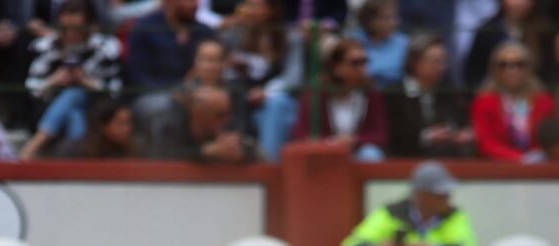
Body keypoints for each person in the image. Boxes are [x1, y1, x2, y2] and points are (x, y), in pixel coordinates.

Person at [19, 0, 122, 159]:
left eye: (77, 28)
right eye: (65, 28)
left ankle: (35, 144)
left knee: (75, 93)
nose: (70, 33)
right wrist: (54, 81)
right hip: (48, 108)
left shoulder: (105, 48)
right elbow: (31, 88)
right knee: (73, 110)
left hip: (94, 108)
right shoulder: (45, 46)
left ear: (90, 26)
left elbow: (115, 91)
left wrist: (86, 82)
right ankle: (78, 159)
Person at [220, 0, 304, 161]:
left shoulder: (290, 36)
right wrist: (223, 30)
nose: (248, 11)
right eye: (246, 5)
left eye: (255, 6)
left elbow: (294, 77)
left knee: (276, 103)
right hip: (240, 94)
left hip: (274, 99)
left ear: (271, 9)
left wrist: (267, 92)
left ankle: (268, 163)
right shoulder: (233, 33)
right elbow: (222, 67)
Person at [341, 160, 479, 246]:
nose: (447, 199)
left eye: (447, 194)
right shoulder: (390, 213)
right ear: (420, 194)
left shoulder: (454, 215)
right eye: (439, 195)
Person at [292, 36, 389, 161]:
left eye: (364, 62)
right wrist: (331, 142)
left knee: (370, 153)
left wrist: (354, 140)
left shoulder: (371, 93)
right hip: (324, 154)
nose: (362, 68)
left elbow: (380, 134)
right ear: (337, 68)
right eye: (355, 63)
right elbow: (301, 133)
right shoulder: (314, 95)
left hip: (358, 152)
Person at [385, 34, 476, 157]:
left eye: (443, 61)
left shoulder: (449, 91)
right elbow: (394, 134)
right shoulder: (395, 93)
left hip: (449, 156)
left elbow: (461, 123)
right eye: (434, 62)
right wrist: (427, 137)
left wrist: (461, 134)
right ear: (414, 62)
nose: (441, 67)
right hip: (408, 158)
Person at [126, 0, 215, 125]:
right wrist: (174, 93)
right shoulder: (145, 29)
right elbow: (137, 76)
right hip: (151, 94)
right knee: (165, 106)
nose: (195, 4)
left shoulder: (204, 32)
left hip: (194, 91)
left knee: (215, 99)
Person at [471, 39, 556, 159]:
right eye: (503, 65)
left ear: (529, 68)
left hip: (539, 163)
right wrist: (520, 158)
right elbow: (485, 143)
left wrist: (536, 158)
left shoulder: (545, 102)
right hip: (499, 165)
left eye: (519, 64)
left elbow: (552, 139)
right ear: (494, 69)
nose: (511, 70)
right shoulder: (483, 103)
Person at [149, 83, 260, 160]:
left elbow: (255, 150)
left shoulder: (227, 123)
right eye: (219, 115)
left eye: (228, 113)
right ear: (198, 115)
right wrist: (204, 152)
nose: (227, 119)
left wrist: (242, 152)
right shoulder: (169, 125)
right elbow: (162, 156)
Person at [464, 0, 556, 89]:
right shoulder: (487, 31)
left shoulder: (543, 30)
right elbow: (474, 73)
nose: (520, 2)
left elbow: (550, 72)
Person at [56, 95, 144, 156]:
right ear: (103, 126)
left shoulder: (137, 149)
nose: (128, 129)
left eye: (129, 123)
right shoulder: (75, 150)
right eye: (121, 124)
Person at [353, 0, 409, 88]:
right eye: (386, 18)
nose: (393, 23)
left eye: (394, 17)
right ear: (370, 20)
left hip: (394, 92)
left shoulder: (404, 43)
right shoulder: (353, 41)